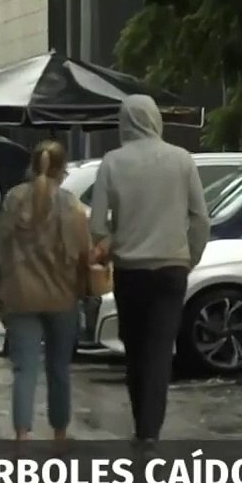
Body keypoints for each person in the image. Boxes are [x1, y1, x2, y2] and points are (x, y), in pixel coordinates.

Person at [89, 95, 210, 444]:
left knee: (136, 348)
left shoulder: (112, 162)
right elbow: (200, 218)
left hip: (130, 271)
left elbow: (98, 225)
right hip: (172, 268)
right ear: (156, 119)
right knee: (160, 348)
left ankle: (143, 419)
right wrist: (190, 257)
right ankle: (149, 429)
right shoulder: (181, 160)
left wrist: (109, 242)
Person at [0, 141, 91, 441]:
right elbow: (82, 254)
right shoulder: (71, 204)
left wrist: (0, 288)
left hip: (20, 296)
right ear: (63, 169)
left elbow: (0, 249)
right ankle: (60, 434)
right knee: (59, 368)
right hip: (62, 297)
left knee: (24, 369)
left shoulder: (14, 199)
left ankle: (22, 436)